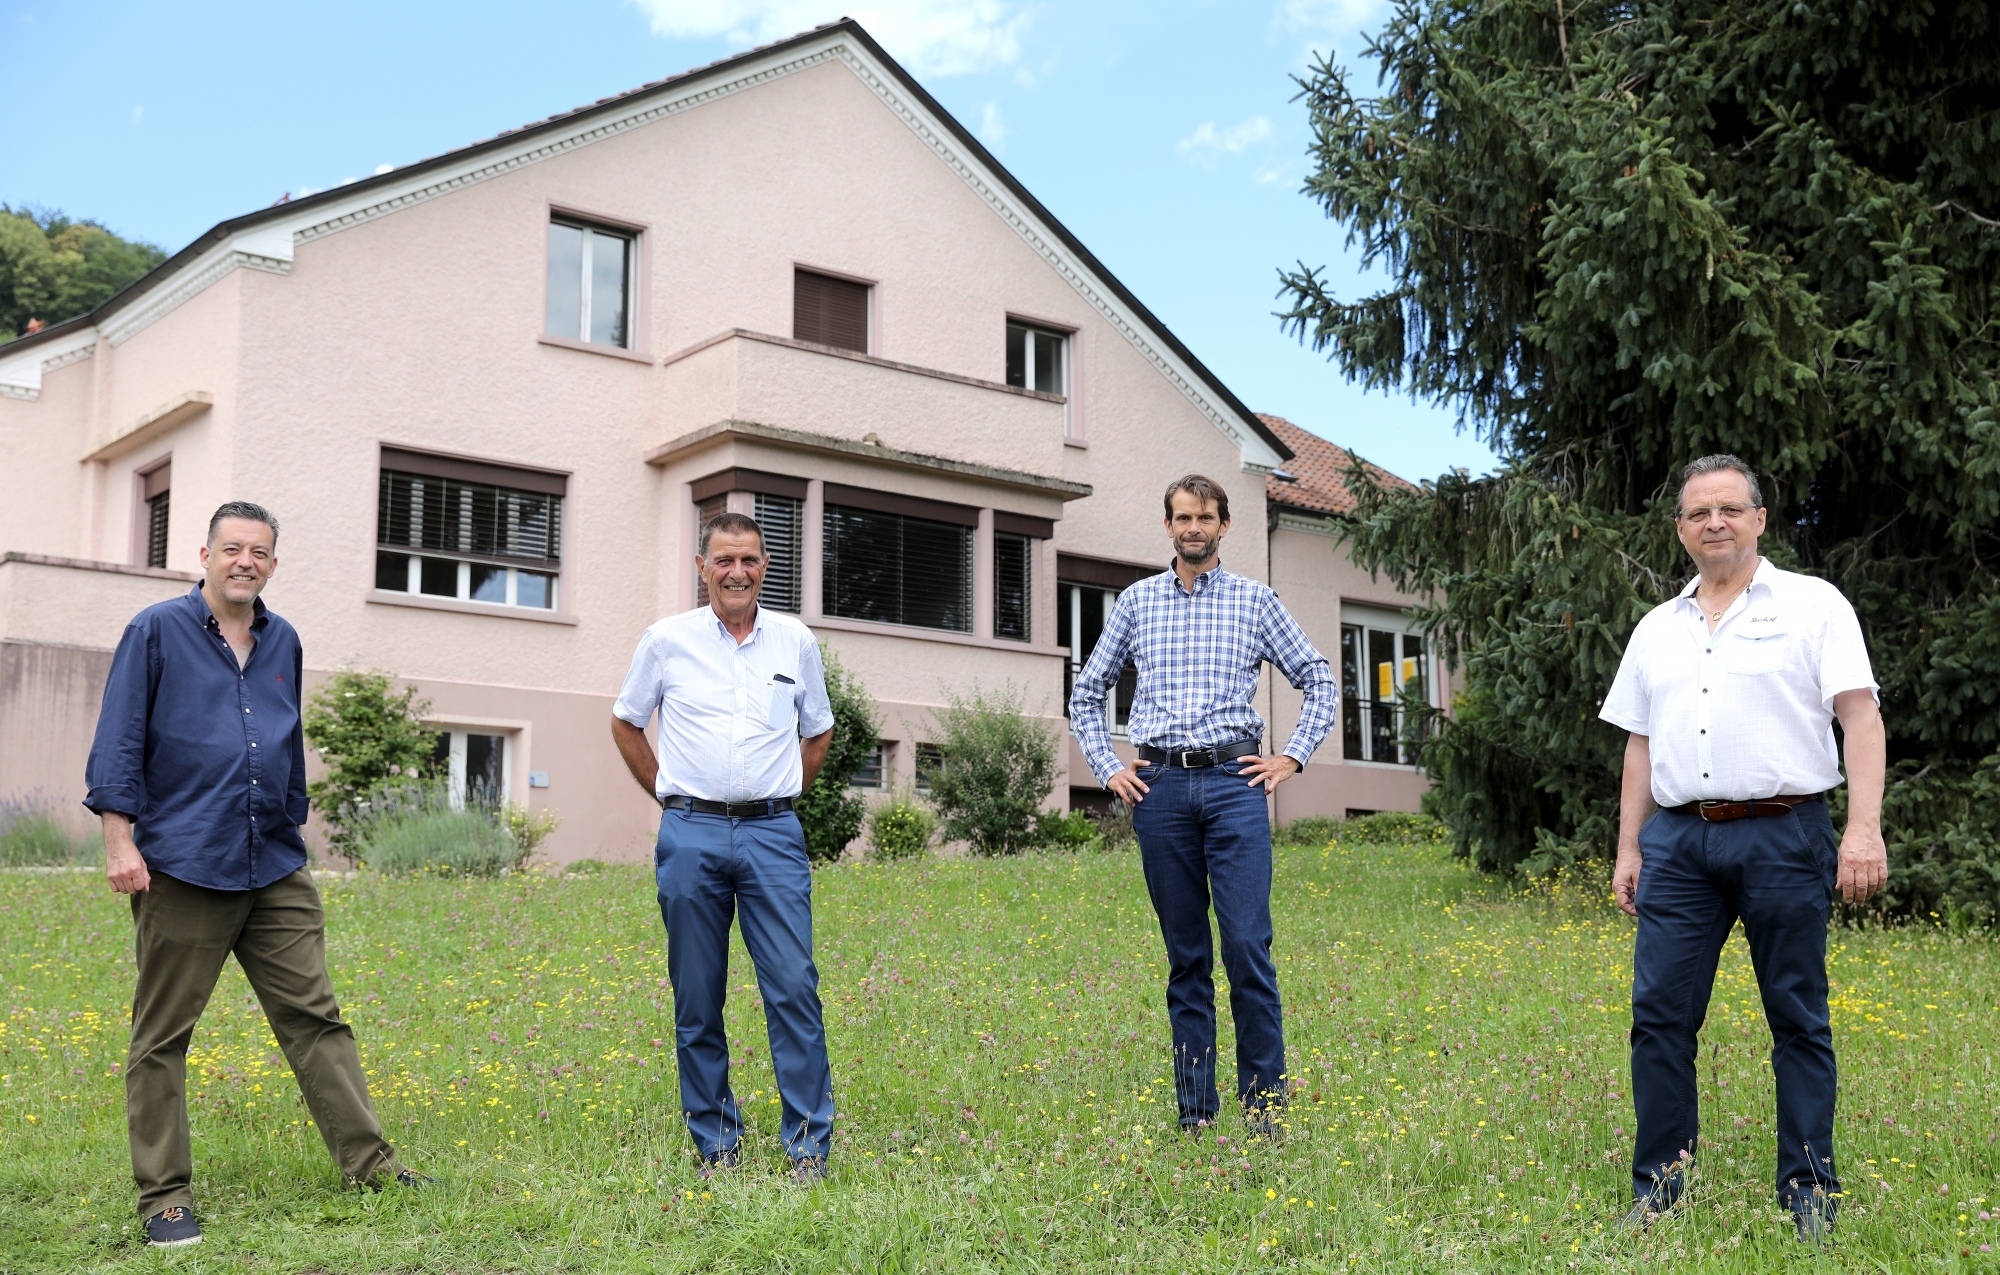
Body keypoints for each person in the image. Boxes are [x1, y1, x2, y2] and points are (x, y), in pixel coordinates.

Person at [84, 502, 423, 1249]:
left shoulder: (284, 639)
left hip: (272, 861)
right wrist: (120, 840)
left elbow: (285, 734)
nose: (245, 560)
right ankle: (164, 1196)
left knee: (316, 1018)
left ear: (273, 563)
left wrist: (292, 816)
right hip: (183, 863)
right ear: (203, 554)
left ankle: (369, 1165)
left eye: (259, 551)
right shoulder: (156, 631)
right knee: (163, 1034)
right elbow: (119, 739)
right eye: (231, 547)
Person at [1600, 454, 1886, 1245]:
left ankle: (1808, 1193)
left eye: (1730, 508)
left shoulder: (1812, 604)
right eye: (1698, 512)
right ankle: (1660, 1189)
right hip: (1679, 843)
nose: (1714, 522)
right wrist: (1630, 845)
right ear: (1682, 530)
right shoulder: (1658, 626)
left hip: (1783, 833)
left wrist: (1863, 828)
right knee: (1658, 1017)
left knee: (1796, 1015)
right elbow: (1639, 745)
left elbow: (1859, 718)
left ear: (1760, 519)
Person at [1069, 474, 1338, 1133]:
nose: (1194, 526)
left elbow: (1319, 677)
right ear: (1168, 525)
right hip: (1159, 792)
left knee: (1247, 946)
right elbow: (1086, 693)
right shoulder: (1136, 603)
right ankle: (1196, 1113)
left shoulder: (1256, 601)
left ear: (1224, 525)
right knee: (1187, 955)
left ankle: (1265, 1111)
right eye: (1183, 516)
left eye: (1206, 517)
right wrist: (1108, 767)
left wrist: (1292, 754)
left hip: (1233, 785)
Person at [611, 511, 838, 1182]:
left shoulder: (794, 641)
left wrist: (785, 789)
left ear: (765, 566)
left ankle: (807, 1147)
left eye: (749, 559)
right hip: (691, 834)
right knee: (697, 995)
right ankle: (716, 1143)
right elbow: (626, 721)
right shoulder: (666, 640)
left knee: (794, 987)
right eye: (724, 559)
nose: (736, 571)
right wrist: (668, 794)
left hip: (773, 833)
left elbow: (817, 731)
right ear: (702, 566)